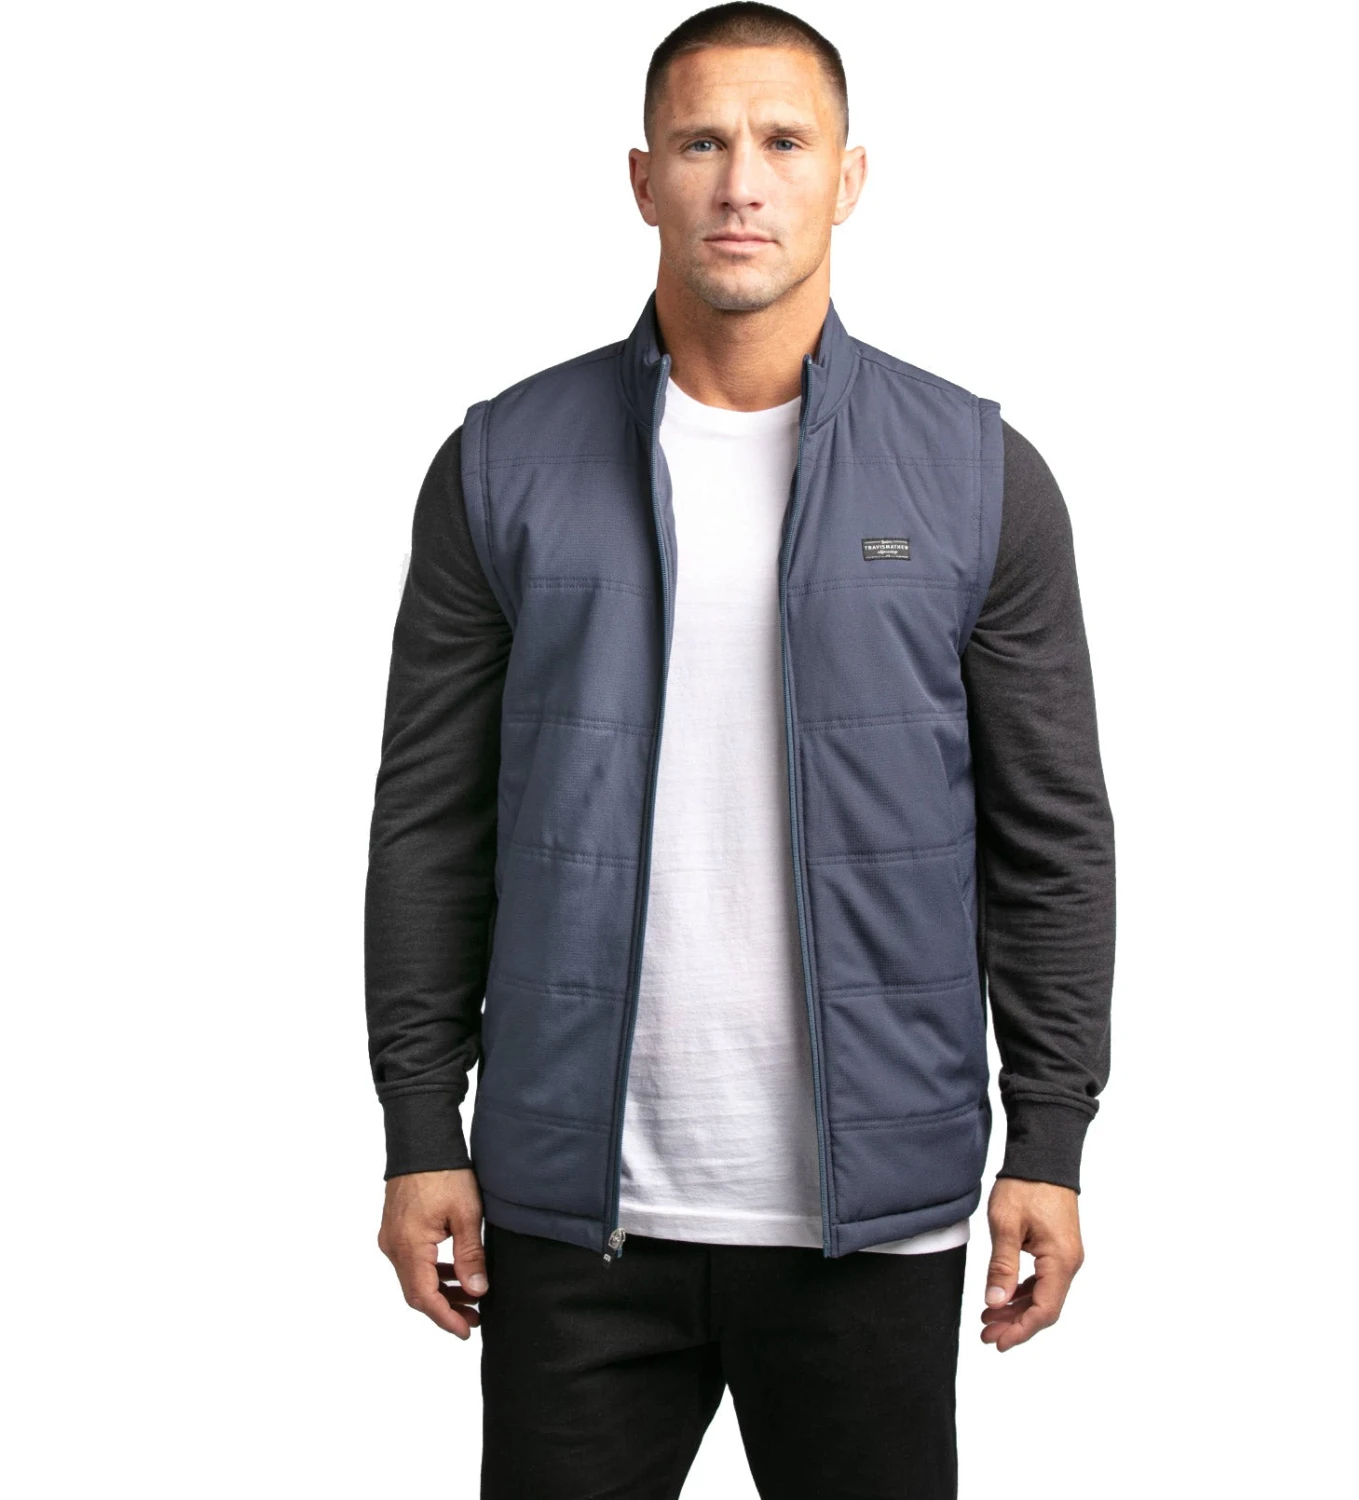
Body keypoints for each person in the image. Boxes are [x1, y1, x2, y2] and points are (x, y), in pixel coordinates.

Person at [364, 4, 1115, 1495]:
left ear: (849, 177)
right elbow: (432, 823)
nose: (742, 184)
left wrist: (1050, 1135)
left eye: (784, 141)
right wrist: (417, 1124)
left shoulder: (977, 476)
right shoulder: (502, 464)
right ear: (643, 179)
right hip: (572, 1214)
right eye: (703, 142)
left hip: (874, 1220)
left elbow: (1051, 839)